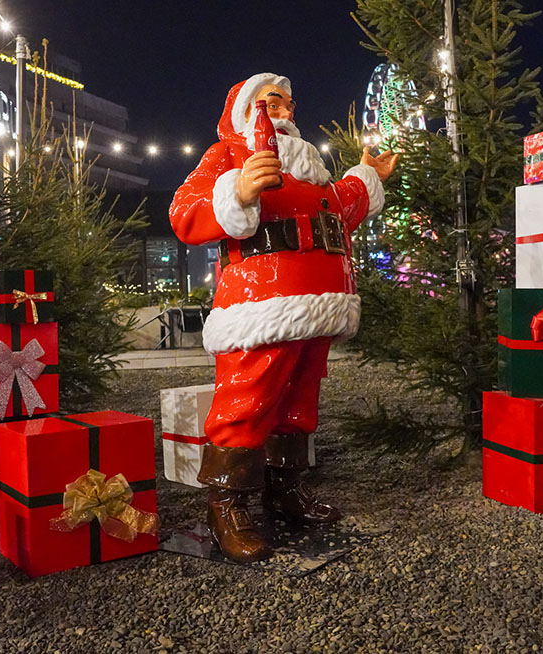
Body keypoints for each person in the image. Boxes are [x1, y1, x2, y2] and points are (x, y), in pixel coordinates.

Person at [169, 73, 398, 562]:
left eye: (291, 103)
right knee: (246, 402)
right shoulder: (228, 156)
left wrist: (367, 176)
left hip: (319, 302)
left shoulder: (308, 165)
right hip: (260, 304)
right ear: (249, 107)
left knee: (299, 401)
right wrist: (238, 190)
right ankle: (226, 504)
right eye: (275, 101)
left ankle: (284, 489)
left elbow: (335, 208)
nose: (287, 110)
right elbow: (185, 212)